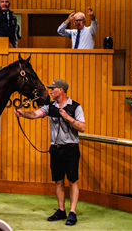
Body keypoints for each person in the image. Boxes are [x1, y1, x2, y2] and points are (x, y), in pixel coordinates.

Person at [15, 79, 85, 226]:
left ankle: (72, 212)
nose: (51, 91)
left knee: (72, 181)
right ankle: (61, 210)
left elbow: (82, 127)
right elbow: (35, 114)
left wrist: (68, 118)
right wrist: (22, 114)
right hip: (56, 149)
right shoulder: (49, 107)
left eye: (53, 89)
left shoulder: (75, 107)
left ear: (61, 90)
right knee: (58, 181)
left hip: (71, 149)